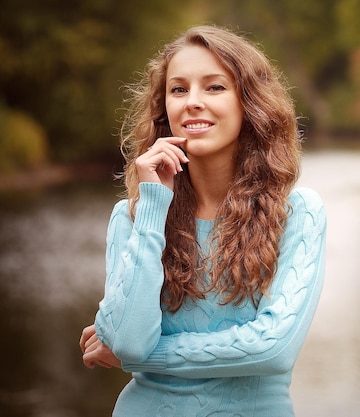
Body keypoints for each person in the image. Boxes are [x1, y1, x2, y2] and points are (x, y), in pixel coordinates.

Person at [79, 25, 326, 417]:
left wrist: (145, 357)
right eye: (178, 89)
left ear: (250, 104)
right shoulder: (134, 215)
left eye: (214, 87)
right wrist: (153, 206)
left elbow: (273, 350)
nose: (192, 102)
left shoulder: (296, 213)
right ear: (164, 108)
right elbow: (127, 340)